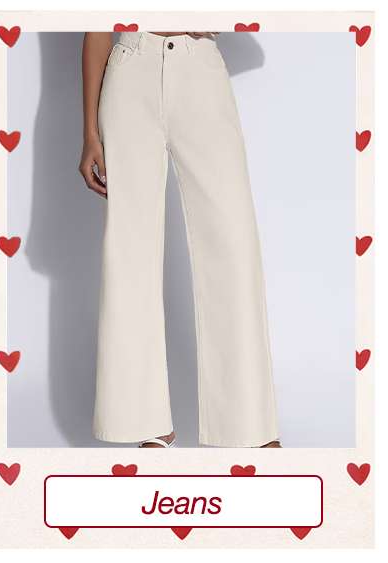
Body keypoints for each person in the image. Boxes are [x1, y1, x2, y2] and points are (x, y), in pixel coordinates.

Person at [79, 31, 281, 448]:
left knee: (233, 245)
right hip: (129, 70)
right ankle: (144, 423)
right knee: (128, 251)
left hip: (200, 71)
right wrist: (90, 134)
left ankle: (249, 425)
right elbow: (96, 25)